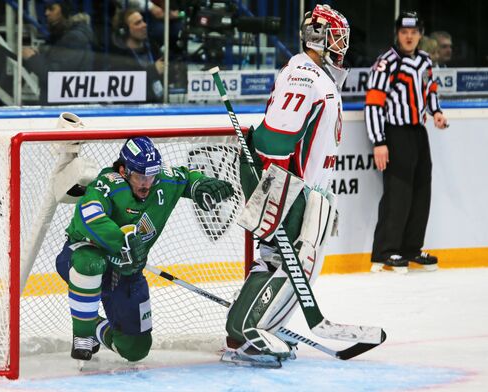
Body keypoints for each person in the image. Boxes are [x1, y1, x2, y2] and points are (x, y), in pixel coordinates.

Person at [223, 4, 349, 368]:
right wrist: (277, 194)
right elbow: (275, 137)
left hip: (299, 187)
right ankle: (250, 334)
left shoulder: (306, 72)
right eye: (337, 38)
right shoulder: (305, 76)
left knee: (276, 260)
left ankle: (244, 329)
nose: (342, 47)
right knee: (295, 260)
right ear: (321, 39)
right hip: (292, 188)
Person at [55, 136, 234, 363]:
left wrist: (199, 184)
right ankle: (82, 336)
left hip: (127, 273)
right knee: (91, 263)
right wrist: (122, 242)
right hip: (82, 256)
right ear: (123, 171)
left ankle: (93, 325)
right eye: (140, 176)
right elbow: (89, 217)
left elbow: (187, 177)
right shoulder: (107, 184)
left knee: (135, 350)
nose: (146, 183)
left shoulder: (163, 180)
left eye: (151, 175)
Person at [365, 11, 448, 273]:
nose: (409, 36)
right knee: (397, 193)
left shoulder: (424, 61)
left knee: (422, 190)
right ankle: (385, 251)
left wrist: (436, 113)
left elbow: (430, 90)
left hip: (418, 132)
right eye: (404, 32)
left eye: (413, 32)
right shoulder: (387, 62)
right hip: (395, 133)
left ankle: (411, 247)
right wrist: (379, 141)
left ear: (420, 34)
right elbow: (374, 104)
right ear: (397, 34)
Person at [22, 0, 95, 104]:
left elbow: (55, 78)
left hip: (65, 110)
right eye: (45, 9)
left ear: (64, 10)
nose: (46, 13)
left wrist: (32, 58)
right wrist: (43, 52)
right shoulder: (62, 35)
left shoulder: (74, 38)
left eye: (51, 8)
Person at [108, 8, 164, 103]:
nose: (144, 25)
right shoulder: (119, 57)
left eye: (143, 21)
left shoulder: (153, 48)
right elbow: (128, 86)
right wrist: (153, 71)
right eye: (138, 23)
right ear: (124, 30)